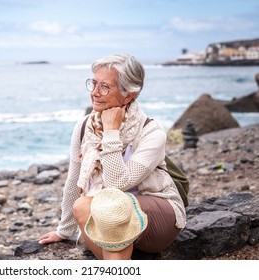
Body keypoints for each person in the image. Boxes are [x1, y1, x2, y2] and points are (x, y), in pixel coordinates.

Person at [39, 54, 186, 260]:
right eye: (93, 84)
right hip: (107, 216)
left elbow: (118, 184)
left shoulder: (152, 132)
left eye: (105, 87)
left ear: (129, 95)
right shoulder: (84, 127)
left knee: (111, 205)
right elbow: (73, 181)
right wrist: (64, 231)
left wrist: (111, 132)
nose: (95, 93)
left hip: (157, 216)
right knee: (82, 205)